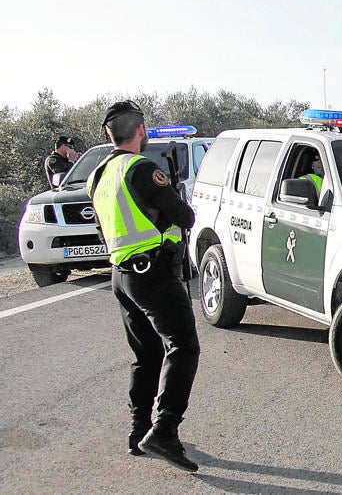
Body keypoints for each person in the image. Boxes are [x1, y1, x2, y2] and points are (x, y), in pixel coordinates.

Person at [87, 100, 200, 472]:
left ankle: (138, 433)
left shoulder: (98, 174)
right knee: (183, 346)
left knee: (146, 355)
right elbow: (184, 216)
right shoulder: (141, 169)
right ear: (140, 131)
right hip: (152, 273)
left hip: (121, 275)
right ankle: (165, 431)